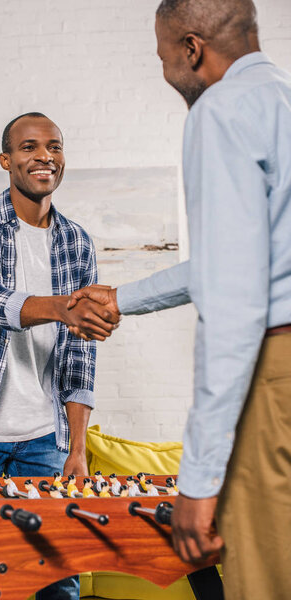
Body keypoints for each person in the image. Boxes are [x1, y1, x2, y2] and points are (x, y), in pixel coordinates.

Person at [68, 1, 291, 597]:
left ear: (191, 49)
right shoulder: (283, 100)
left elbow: (235, 302)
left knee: (265, 581)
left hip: (277, 375)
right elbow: (242, 260)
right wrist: (122, 296)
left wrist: (196, 481)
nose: (165, 71)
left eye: (163, 57)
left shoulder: (222, 109)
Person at [0, 112, 118, 600]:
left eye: (54, 147)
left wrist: (77, 447)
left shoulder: (76, 241)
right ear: (6, 160)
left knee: (57, 581)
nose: (45, 156)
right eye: (30, 147)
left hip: (46, 440)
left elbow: (80, 351)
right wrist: (66, 309)